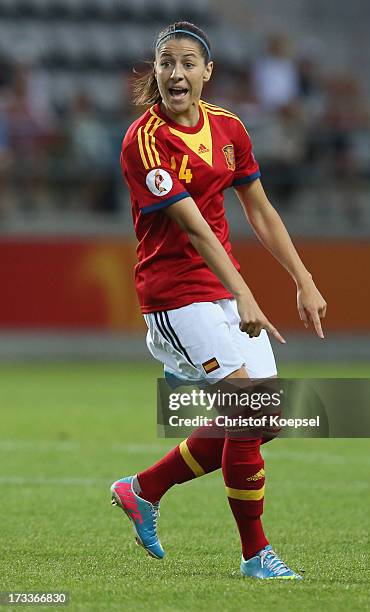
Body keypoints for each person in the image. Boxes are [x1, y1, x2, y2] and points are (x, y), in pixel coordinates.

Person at [111, 21, 327, 580]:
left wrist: (303, 279)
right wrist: (247, 293)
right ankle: (256, 555)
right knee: (247, 410)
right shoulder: (144, 140)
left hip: (219, 289)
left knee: (264, 416)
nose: (175, 73)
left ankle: (144, 489)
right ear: (156, 73)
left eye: (187, 63)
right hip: (175, 293)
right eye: (166, 63)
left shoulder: (230, 127)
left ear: (208, 73)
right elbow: (195, 230)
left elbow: (259, 209)